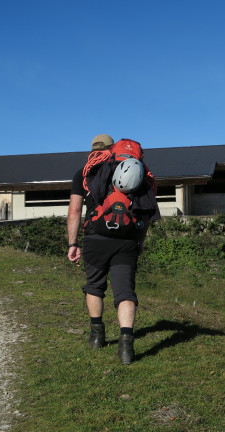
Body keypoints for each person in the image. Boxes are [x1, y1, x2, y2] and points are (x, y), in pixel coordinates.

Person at [66, 134, 160, 364]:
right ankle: (126, 347)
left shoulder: (85, 172)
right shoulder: (138, 172)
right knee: (124, 291)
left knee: (94, 286)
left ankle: (97, 335)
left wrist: (72, 243)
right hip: (127, 240)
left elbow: (74, 211)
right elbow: (146, 213)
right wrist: (140, 241)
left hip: (96, 237)